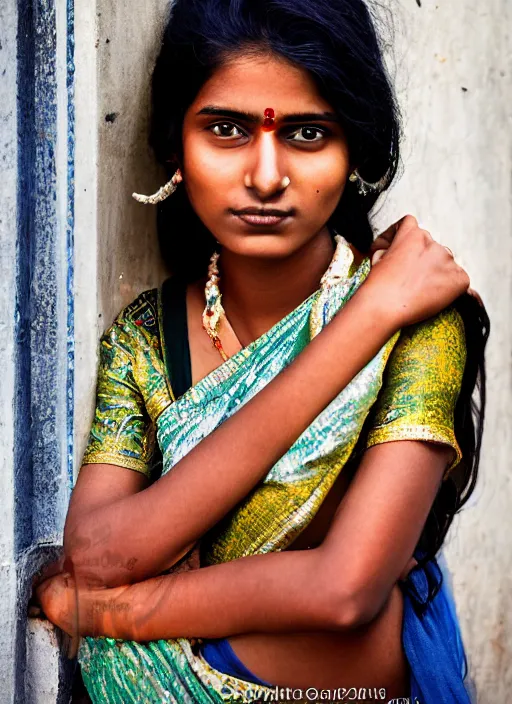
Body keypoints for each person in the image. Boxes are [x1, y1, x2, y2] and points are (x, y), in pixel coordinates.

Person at [34, 0, 490, 702]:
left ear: (357, 151)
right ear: (172, 147)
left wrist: (108, 613)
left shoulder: (422, 324)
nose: (267, 176)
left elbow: (343, 591)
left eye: (308, 134)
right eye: (226, 130)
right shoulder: (146, 341)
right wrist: (362, 322)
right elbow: (96, 552)